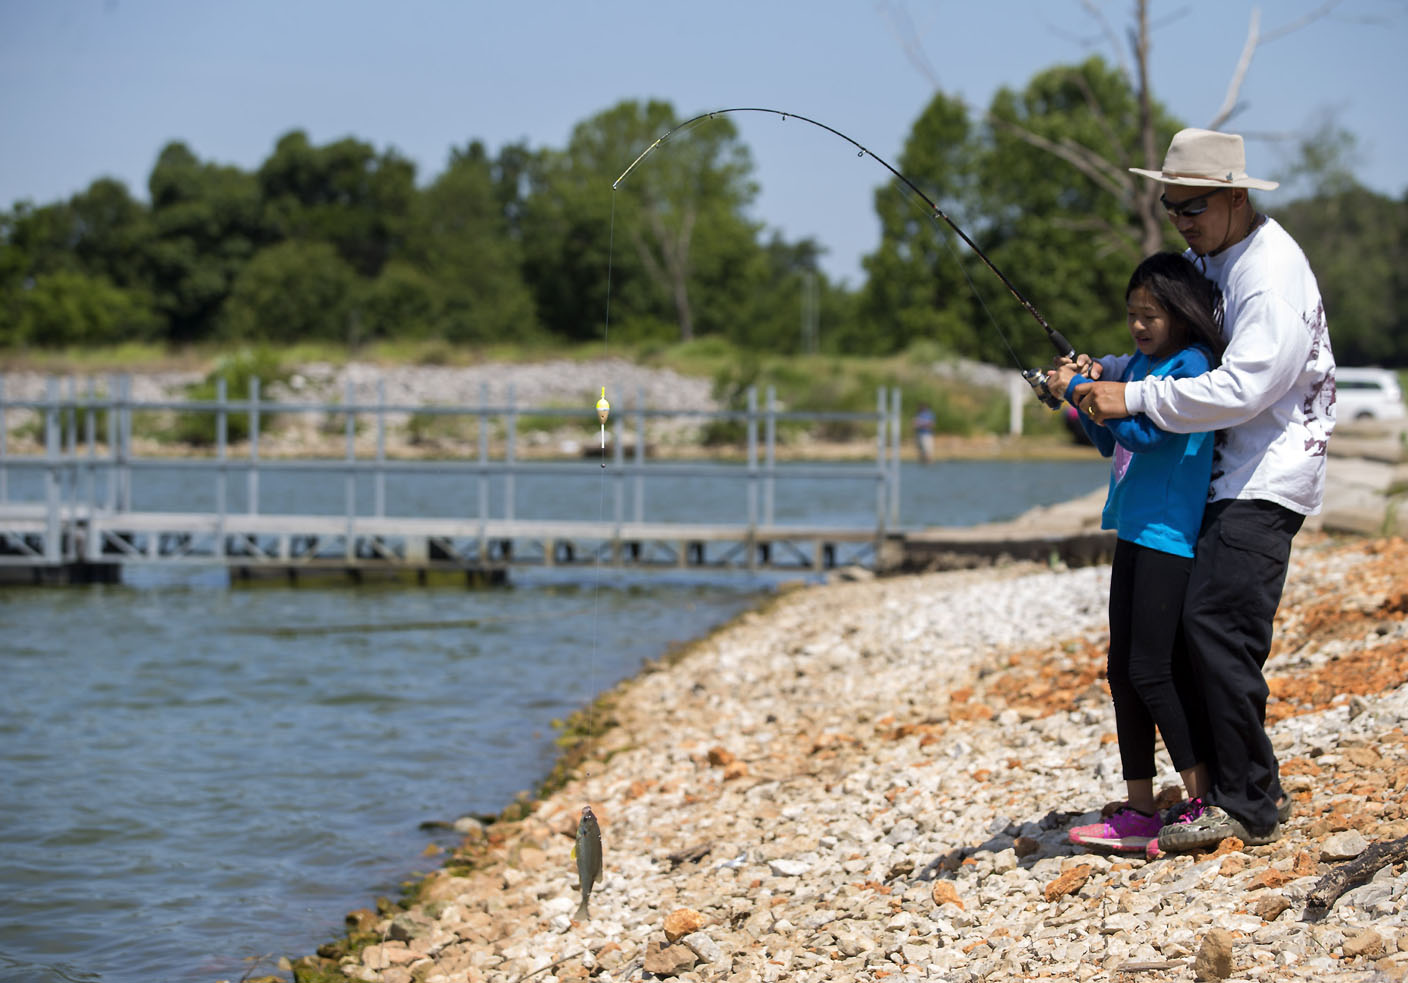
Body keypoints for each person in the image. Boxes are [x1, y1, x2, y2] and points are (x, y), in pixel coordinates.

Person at [1071, 128, 1336, 851]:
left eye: (1193, 207)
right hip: (1219, 475)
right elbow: (1177, 338)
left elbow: (1245, 387)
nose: (1181, 221)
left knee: (1219, 629)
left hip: (1269, 474)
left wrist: (1136, 400)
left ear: (1235, 198)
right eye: (1172, 206)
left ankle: (1247, 804)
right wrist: (1111, 373)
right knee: (1190, 629)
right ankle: (1230, 787)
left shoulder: (1269, 274)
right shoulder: (1209, 256)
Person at [1054, 252, 1224, 854]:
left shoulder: (1190, 366)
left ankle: (1201, 798)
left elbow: (1148, 433)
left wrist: (1085, 388)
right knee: (1120, 670)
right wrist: (1083, 397)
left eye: (1150, 314)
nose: (1138, 326)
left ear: (1180, 313)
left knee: (1153, 669)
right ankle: (1140, 806)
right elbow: (1109, 438)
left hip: (1169, 537)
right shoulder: (1144, 367)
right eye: (1132, 314)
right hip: (1133, 529)